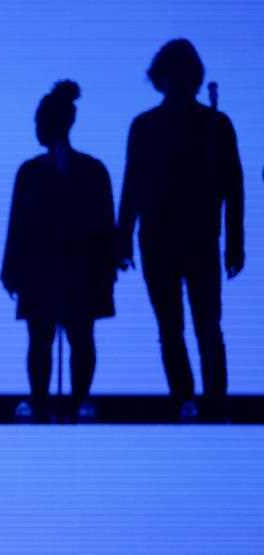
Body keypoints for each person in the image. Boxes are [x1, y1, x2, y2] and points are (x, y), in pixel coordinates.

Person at [118, 39, 244, 421]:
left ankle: (212, 400)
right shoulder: (148, 126)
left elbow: (232, 187)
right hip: (160, 240)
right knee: (173, 326)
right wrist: (124, 237)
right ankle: (186, 399)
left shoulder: (215, 125)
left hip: (198, 239)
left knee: (206, 325)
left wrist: (235, 242)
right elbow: (133, 186)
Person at [1, 80, 116, 423]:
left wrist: (12, 268)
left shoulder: (80, 171)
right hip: (49, 270)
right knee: (46, 338)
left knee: (73, 338)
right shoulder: (71, 170)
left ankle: (70, 399)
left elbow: (103, 224)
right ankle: (44, 399)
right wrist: (12, 268)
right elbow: (17, 225)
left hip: (71, 269)